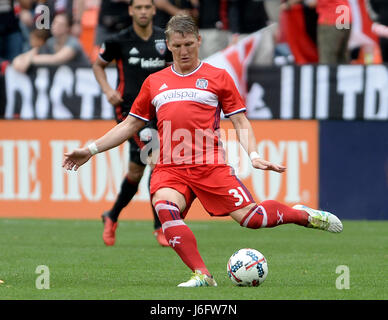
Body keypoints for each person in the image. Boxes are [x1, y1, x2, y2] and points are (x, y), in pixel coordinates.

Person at [63, 14, 343, 287]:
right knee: (164, 207)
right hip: (170, 168)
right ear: (168, 46)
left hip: (210, 167)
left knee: (253, 219)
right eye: (177, 46)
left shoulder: (218, 77)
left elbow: (240, 121)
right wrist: (91, 149)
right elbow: (130, 124)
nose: (183, 51)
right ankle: (202, 274)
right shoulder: (155, 83)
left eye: (189, 45)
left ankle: (302, 215)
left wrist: (254, 155)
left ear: (198, 41)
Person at [92, 0, 172, 247]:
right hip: (131, 113)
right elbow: (98, 64)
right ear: (131, 11)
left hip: (160, 112)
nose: (143, 11)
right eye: (139, 7)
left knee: (136, 172)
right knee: (156, 160)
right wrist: (107, 90)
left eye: (147, 7)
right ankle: (160, 227)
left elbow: (172, 68)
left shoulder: (164, 39)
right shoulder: (119, 40)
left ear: (154, 10)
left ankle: (112, 215)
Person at [11, 12, 90, 73]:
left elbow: (56, 59)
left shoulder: (73, 43)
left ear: (67, 28)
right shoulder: (50, 42)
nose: (55, 26)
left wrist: (30, 60)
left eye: (60, 24)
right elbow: (20, 62)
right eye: (55, 22)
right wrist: (22, 59)